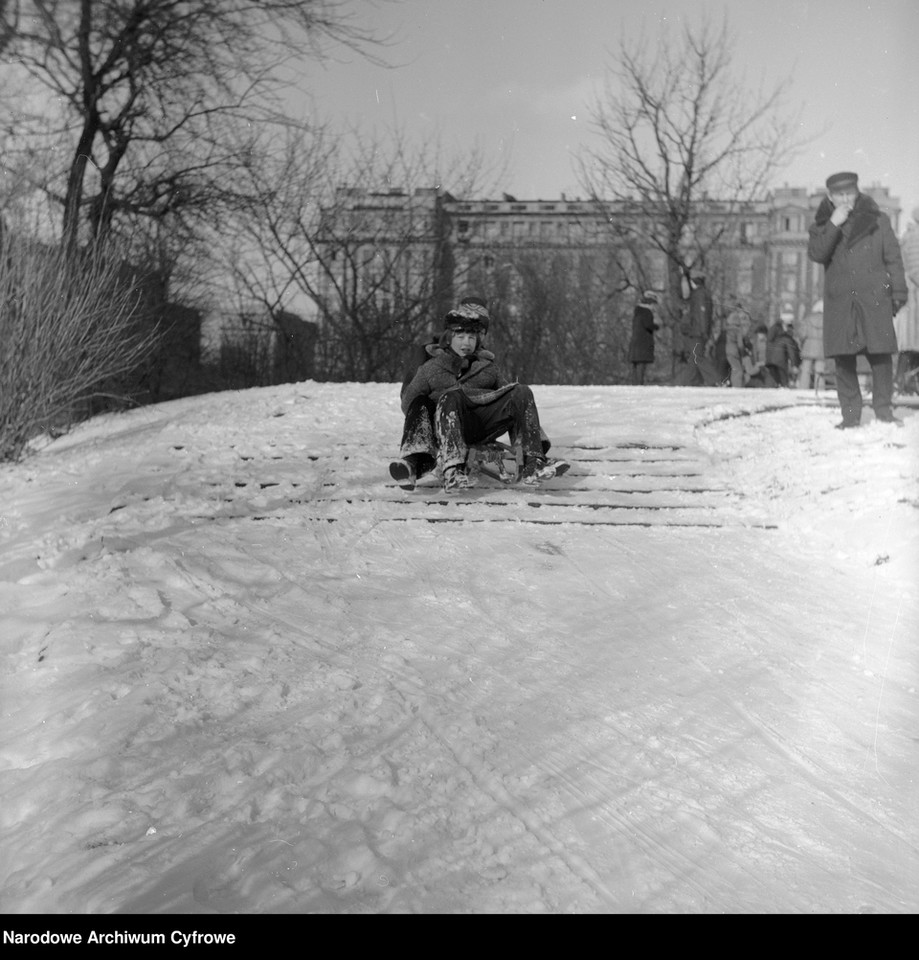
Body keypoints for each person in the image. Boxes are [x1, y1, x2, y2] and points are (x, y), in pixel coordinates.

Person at [389, 300, 567, 492]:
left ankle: (534, 462)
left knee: (521, 391)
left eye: (472, 338)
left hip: (482, 424)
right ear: (448, 338)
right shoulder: (430, 368)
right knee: (451, 397)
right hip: (446, 425)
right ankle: (450, 469)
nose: (466, 343)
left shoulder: (488, 368)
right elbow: (409, 403)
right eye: (461, 336)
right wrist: (433, 411)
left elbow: (512, 398)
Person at [807, 171, 907, 427]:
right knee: (843, 359)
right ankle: (850, 417)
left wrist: (898, 292)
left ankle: (884, 412)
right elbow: (817, 254)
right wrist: (833, 224)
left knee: (881, 356)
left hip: (874, 297)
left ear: (858, 192)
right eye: (839, 194)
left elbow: (893, 258)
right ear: (829, 196)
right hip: (840, 300)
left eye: (849, 193)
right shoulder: (821, 225)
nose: (845, 199)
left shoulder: (878, 221)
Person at [894, 207, 919, 394]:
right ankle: (902, 384)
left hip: (913, 303)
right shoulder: (915, 238)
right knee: (911, 345)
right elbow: (915, 270)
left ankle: (905, 385)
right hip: (914, 303)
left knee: (911, 346)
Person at [674, 274, 713, 385]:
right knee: (693, 358)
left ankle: (717, 380)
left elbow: (702, 314)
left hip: (698, 331)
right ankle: (689, 382)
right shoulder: (702, 293)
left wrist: (703, 331)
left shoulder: (699, 294)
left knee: (697, 357)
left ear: (693, 282)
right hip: (697, 330)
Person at [627, 290, 661, 384]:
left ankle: (635, 384)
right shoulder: (646, 312)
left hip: (636, 341)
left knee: (636, 365)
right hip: (643, 342)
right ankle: (639, 385)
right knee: (641, 365)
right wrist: (657, 326)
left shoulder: (638, 311)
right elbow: (648, 325)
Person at [765, 304, 801, 388]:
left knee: (778, 377)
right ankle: (783, 385)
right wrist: (795, 364)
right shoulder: (776, 328)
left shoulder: (787, 330)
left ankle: (782, 385)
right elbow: (769, 342)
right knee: (779, 375)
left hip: (779, 357)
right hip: (777, 357)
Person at [796, 300, 827, 390]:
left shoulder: (808, 319)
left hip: (808, 347)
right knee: (820, 370)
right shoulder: (827, 320)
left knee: (806, 369)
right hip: (821, 348)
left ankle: (803, 387)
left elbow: (802, 334)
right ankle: (820, 389)